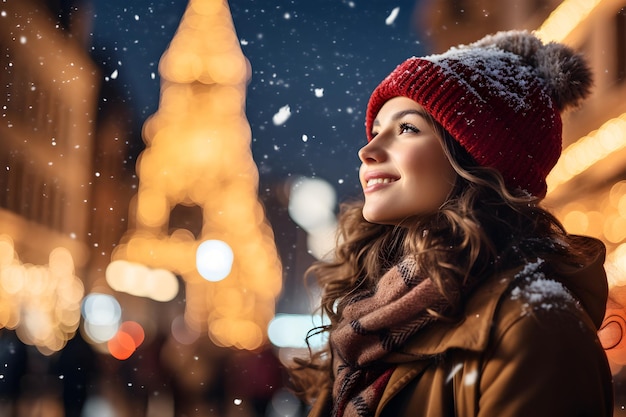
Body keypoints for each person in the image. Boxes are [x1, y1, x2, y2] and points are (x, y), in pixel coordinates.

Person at [290, 30, 614, 417]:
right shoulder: (374, 313)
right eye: (376, 131)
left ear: (476, 156)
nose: (368, 150)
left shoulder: (534, 325)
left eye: (407, 128)